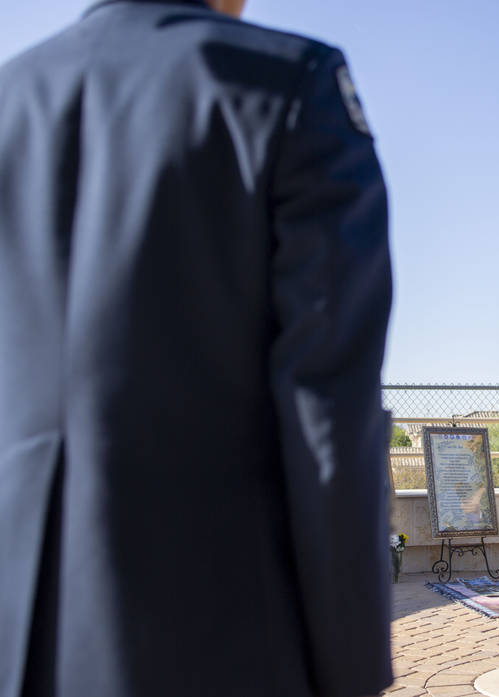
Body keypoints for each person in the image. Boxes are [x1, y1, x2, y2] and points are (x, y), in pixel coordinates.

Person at [0, 2, 393, 696]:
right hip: (219, 624)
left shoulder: (14, 90)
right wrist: (351, 666)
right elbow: (327, 416)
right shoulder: (289, 83)